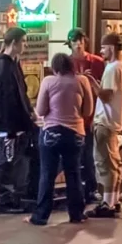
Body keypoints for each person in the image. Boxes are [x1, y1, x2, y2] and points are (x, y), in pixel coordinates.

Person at [30, 52, 95, 226]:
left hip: (51, 133)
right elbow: (88, 111)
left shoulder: (48, 81)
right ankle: (76, 214)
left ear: (55, 67)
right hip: (75, 133)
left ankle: (41, 216)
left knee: (47, 174)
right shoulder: (82, 81)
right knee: (73, 173)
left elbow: (41, 110)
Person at [0, 27, 35, 214]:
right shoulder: (3, 65)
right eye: (23, 41)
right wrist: (9, 126)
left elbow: (21, 93)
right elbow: (4, 98)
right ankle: (4, 199)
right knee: (6, 161)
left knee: (15, 161)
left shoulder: (13, 64)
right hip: (9, 125)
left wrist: (29, 112)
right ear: (14, 43)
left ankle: (14, 197)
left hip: (17, 124)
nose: (25, 45)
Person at [91, 33, 122, 218]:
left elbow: (106, 95)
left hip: (106, 122)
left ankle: (107, 204)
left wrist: (92, 83)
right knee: (114, 163)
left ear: (111, 48)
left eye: (104, 47)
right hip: (112, 122)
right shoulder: (119, 67)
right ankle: (115, 200)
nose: (101, 51)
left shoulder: (113, 68)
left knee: (106, 164)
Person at [68, 29, 105, 206]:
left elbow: (105, 89)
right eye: (74, 41)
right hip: (72, 116)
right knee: (74, 156)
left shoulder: (97, 62)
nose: (78, 44)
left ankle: (91, 189)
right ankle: (76, 190)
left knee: (89, 155)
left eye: (81, 41)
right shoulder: (66, 62)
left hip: (92, 114)